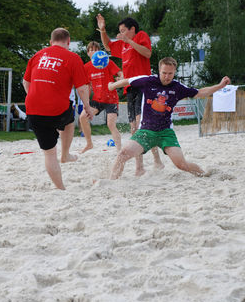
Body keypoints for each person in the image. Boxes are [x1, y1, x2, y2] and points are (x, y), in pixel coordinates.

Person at [108, 57, 230, 179]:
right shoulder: (148, 81)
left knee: (182, 165)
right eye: (164, 73)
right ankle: (112, 181)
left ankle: (204, 175)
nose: (167, 76)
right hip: (145, 131)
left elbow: (200, 93)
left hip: (166, 133)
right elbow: (127, 81)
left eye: (170, 73)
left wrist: (219, 86)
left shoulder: (177, 87)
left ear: (174, 72)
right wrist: (112, 86)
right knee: (123, 154)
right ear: (159, 71)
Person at [23, 27, 94, 190]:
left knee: (49, 154)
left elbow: (26, 83)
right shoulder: (73, 57)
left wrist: (36, 96)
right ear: (68, 42)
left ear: (50, 42)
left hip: (33, 109)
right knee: (70, 118)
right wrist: (88, 107)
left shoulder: (37, 55)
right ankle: (66, 154)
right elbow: (82, 88)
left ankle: (60, 188)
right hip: (56, 109)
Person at [96, 14, 164, 168]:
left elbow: (147, 53)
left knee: (142, 124)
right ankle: (139, 166)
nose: (121, 34)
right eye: (119, 31)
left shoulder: (140, 36)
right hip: (130, 88)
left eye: (123, 30)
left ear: (132, 29)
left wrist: (129, 41)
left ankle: (157, 160)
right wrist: (102, 30)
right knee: (134, 129)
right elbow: (107, 46)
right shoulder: (122, 44)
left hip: (144, 85)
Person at [80, 41, 123, 153]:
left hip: (111, 99)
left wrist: (121, 79)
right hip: (97, 100)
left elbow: (120, 73)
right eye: (91, 50)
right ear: (88, 53)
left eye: (96, 50)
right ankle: (89, 144)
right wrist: (86, 103)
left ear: (100, 52)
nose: (94, 52)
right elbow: (87, 86)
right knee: (82, 117)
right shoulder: (86, 67)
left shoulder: (107, 62)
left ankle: (119, 151)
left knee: (111, 124)